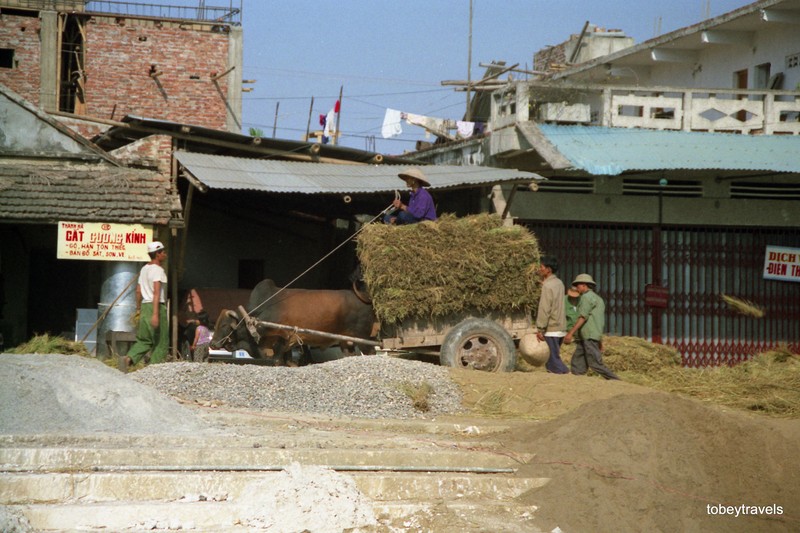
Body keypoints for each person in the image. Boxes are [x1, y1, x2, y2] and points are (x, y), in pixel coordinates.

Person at [564, 273, 619, 380]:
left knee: (595, 363)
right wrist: (600, 340)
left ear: (584, 285)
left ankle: (615, 380)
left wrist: (570, 333)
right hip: (588, 335)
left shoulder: (586, 298)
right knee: (577, 361)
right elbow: (597, 321)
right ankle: (577, 379)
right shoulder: (598, 299)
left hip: (589, 335)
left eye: (578, 285)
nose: (577, 288)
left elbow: (583, 317)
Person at [123, 241, 169, 369]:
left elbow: (138, 291)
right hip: (156, 307)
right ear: (158, 254)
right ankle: (154, 370)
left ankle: (128, 359)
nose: (165, 254)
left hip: (144, 307)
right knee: (161, 342)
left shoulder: (144, 269)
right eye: (163, 252)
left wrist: (138, 308)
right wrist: (155, 314)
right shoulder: (158, 270)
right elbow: (156, 292)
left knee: (144, 340)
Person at [534, 256, 569, 374]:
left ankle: (567, 375)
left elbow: (545, 308)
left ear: (548, 269)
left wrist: (540, 328)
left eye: (541, 267)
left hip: (551, 328)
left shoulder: (547, 286)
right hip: (560, 327)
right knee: (551, 360)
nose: (539, 269)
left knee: (553, 360)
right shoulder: (559, 283)